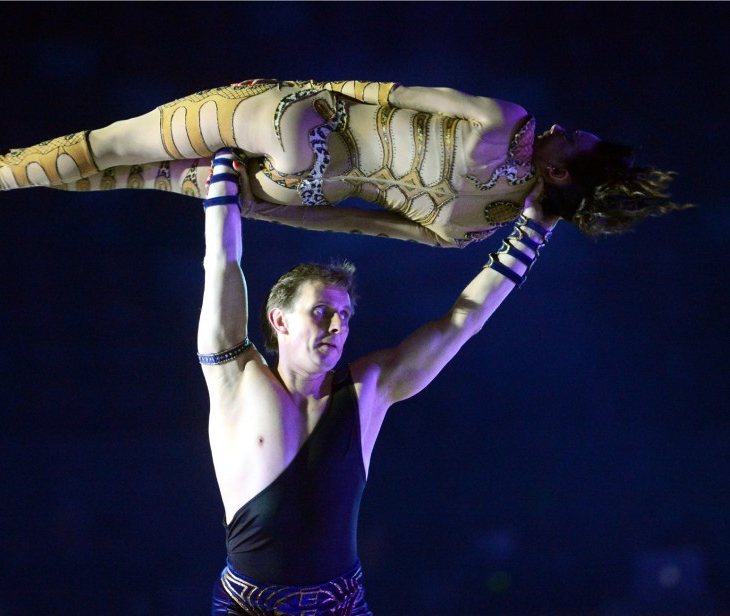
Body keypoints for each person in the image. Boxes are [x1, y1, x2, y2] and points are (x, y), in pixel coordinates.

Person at [199, 147, 557, 615]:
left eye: (344, 317)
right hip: (250, 606)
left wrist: (534, 229)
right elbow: (222, 262)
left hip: (340, 604)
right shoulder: (235, 375)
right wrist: (223, 169)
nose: (336, 327)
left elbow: (459, 325)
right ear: (279, 320)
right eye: (322, 312)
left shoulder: (369, 388)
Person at [0, 79, 690, 246]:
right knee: (130, 175)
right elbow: (355, 223)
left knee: (116, 145)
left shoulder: (504, 119)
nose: (561, 125)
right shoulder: (470, 231)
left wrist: (295, 92)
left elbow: (378, 88)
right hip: (296, 178)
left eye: (572, 140)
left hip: (291, 120)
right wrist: (274, 205)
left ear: (557, 172)